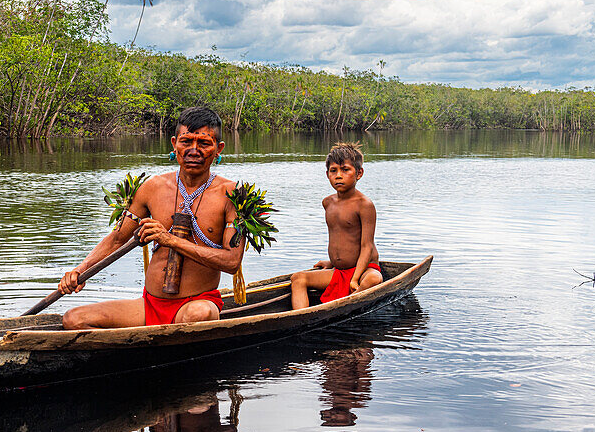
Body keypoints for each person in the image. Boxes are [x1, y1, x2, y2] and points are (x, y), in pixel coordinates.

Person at [59, 107, 244, 329]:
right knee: (73, 319)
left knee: (199, 314)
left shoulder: (233, 195)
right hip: (150, 305)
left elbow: (232, 262)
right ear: (174, 144)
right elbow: (117, 239)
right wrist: (80, 270)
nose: (194, 150)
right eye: (186, 142)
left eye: (204, 143)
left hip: (197, 306)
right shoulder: (152, 187)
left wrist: (171, 240)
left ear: (218, 149)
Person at [290, 142, 383, 309]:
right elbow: (339, 237)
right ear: (327, 174)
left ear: (359, 173)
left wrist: (355, 278)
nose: (338, 175)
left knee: (374, 279)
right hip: (338, 270)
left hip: (363, 270)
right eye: (334, 171)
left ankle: (347, 305)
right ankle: (302, 318)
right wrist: (332, 263)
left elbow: (367, 246)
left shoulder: (364, 205)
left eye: (345, 170)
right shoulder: (328, 203)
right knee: (298, 278)